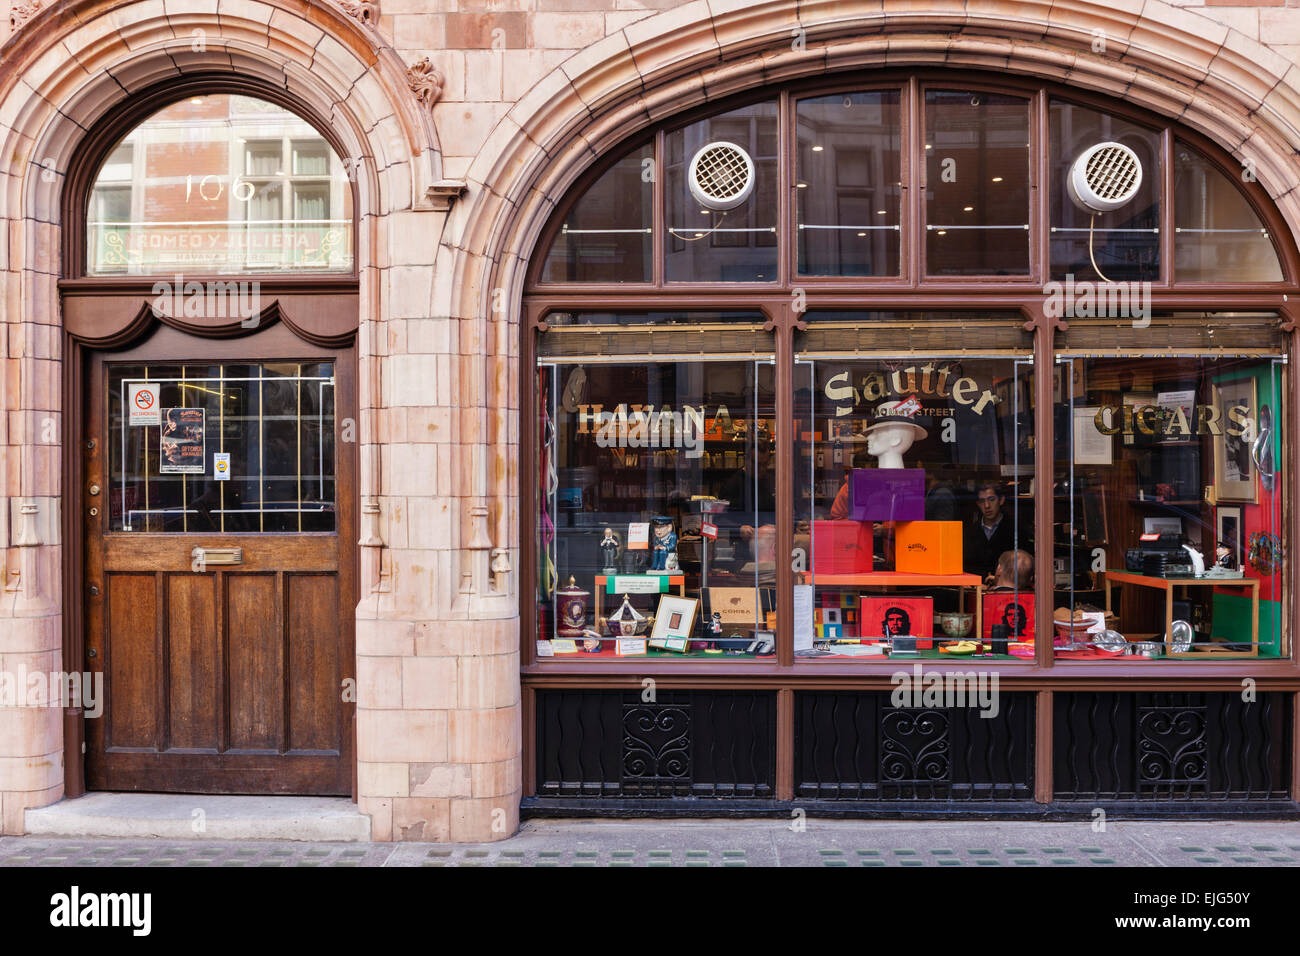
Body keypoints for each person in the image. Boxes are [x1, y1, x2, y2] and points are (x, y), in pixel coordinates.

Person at [963, 481, 1018, 581]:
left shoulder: (1016, 530)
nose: (987, 505)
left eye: (991, 499)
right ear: (977, 504)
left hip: (1005, 591)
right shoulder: (969, 532)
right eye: (982, 501)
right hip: (975, 590)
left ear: (1001, 500)